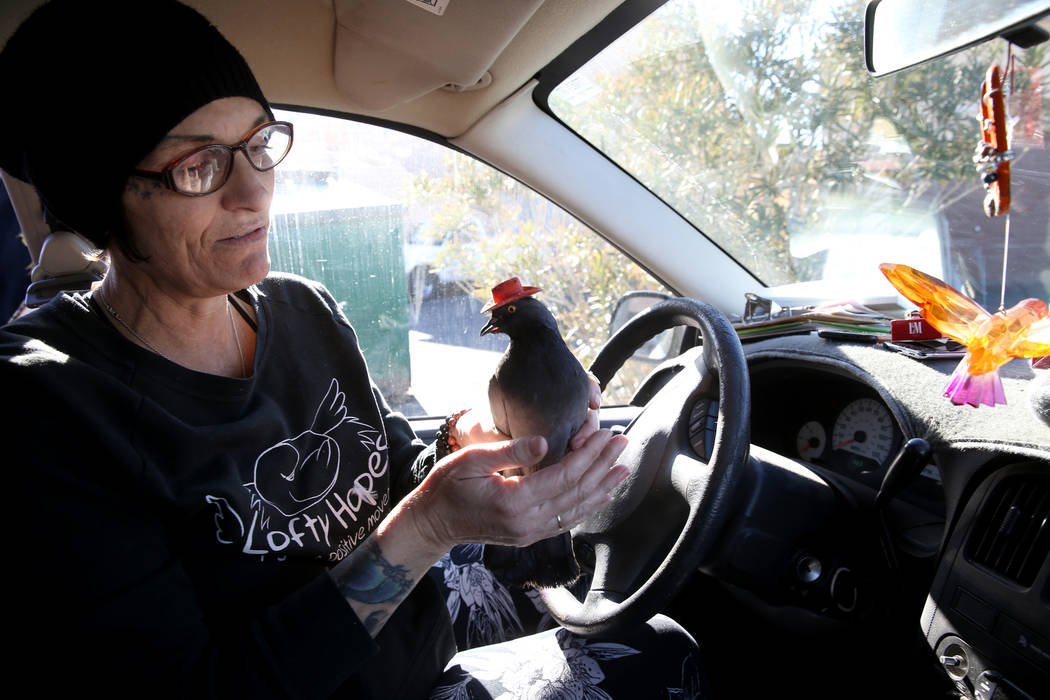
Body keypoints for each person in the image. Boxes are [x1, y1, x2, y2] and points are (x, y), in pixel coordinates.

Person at [0, 1, 705, 697]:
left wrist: (490, 436)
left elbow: (395, 471)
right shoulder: (45, 409)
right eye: (197, 167)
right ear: (103, 197)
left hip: (430, 648)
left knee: (659, 629)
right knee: (666, 661)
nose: (254, 193)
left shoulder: (303, 310)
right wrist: (431, 525)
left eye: (259, 143)